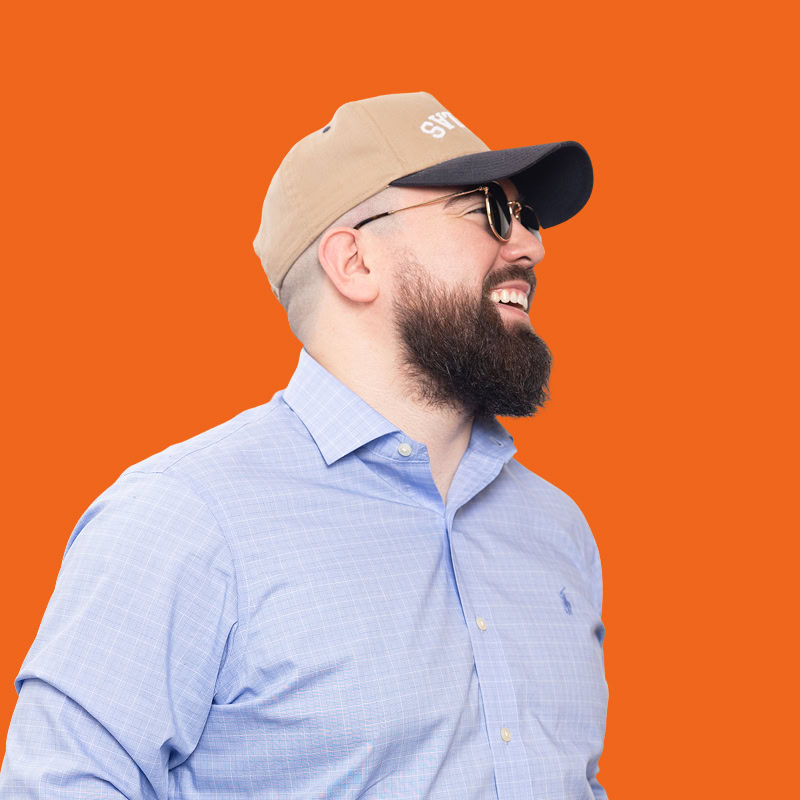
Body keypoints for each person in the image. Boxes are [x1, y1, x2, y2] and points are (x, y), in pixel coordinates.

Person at [0, 91, 609, 799]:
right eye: (488, 211)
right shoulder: (184, 520)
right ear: (353, 263)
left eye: (527, 217)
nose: (532, 246)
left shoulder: (557, 532)